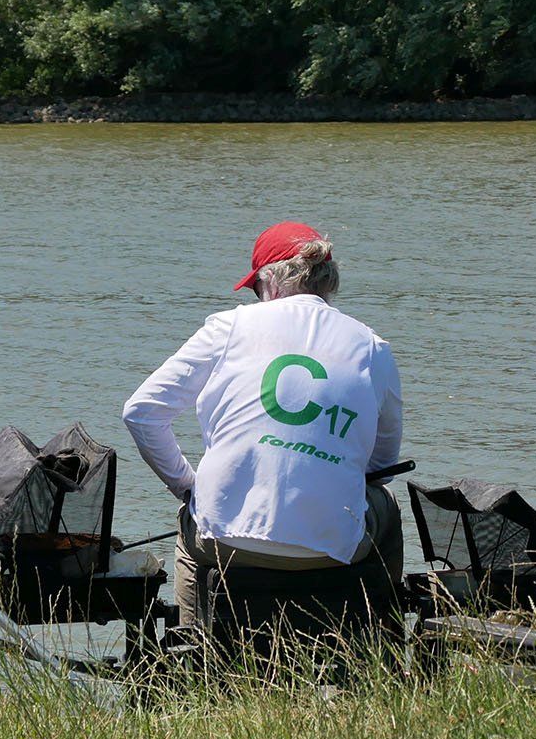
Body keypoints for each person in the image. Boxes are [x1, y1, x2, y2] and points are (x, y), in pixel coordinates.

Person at [122, 221, 403, 627]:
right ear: (326, 283)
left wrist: (188, 487)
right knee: (386, 508)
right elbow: (381, 467)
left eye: (254, 289)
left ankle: (195, 647)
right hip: (333, 549)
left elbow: (141, 412)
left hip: (223, 543)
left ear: (269, 283)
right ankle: (379, 639)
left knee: (192, 527)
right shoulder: (374, 348)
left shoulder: (228, 327)